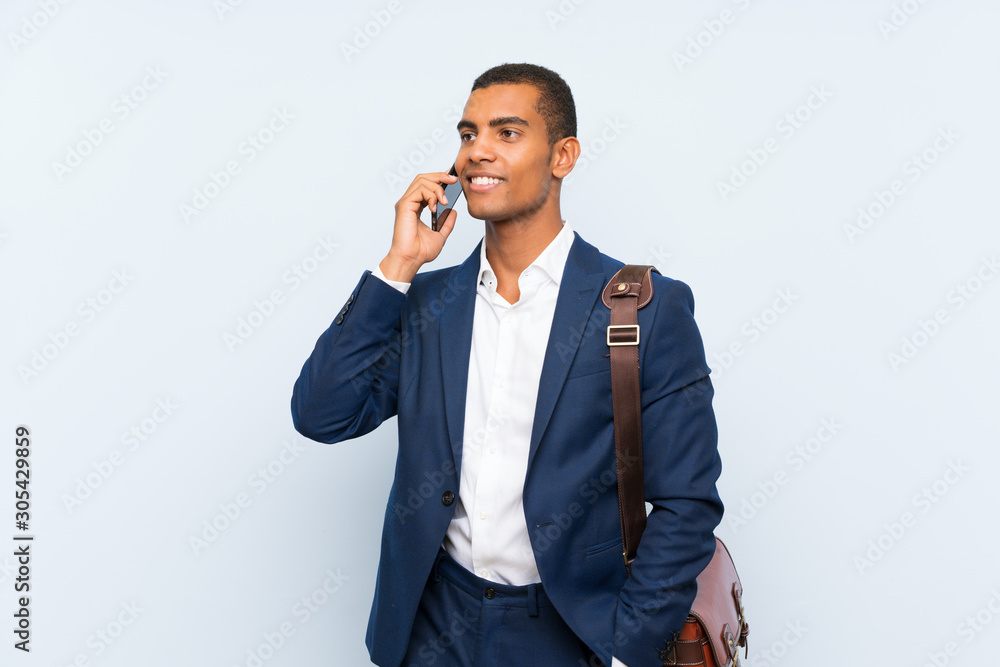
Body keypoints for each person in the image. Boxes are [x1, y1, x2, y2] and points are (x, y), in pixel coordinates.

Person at [291, 62, 723, 667]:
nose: (477, 153)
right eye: (468, 135)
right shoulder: (427, 304)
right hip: (431, 623)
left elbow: (687, 502)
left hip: (568, 630)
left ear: (563, 156)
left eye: (507, 133)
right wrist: (397, 266)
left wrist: (627, 645)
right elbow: (321, 414)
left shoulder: (645, 309)